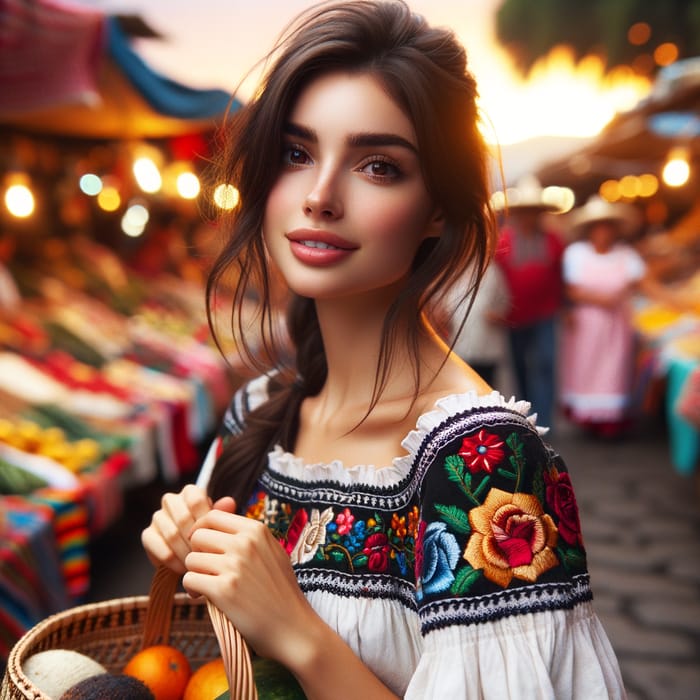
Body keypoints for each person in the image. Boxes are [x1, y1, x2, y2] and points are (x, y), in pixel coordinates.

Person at [141, 2, 626, 697]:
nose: (319, 195)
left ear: (437, 208)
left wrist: (299, 633)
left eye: (377, 165)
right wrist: (196, 556)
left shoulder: (477, 462)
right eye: (297, 153)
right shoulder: (256, 414)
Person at [560, 195, 661, 438]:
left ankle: (611, 420)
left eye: (607, 226)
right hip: (588, 323)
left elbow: (646, 284)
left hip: (617, 325)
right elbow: (572, 289)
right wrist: (603, 300)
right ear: (590, 230)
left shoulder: (626, 255)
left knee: (614, 368)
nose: (603, 232)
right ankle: (589, 419)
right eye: (598, 227)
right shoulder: (576, 253)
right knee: (586, 366)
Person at [493, 176, 567, 431]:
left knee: (546, 362)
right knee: (520, 366)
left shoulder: (554, 240)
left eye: (534, 212)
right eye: (524, 212)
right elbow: (495, 279)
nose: (528, 217)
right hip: (514, 315)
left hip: (546, 313)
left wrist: (566, 307)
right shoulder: (503, 242)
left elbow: (561, 275)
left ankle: (545, 418)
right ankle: (528, 417)